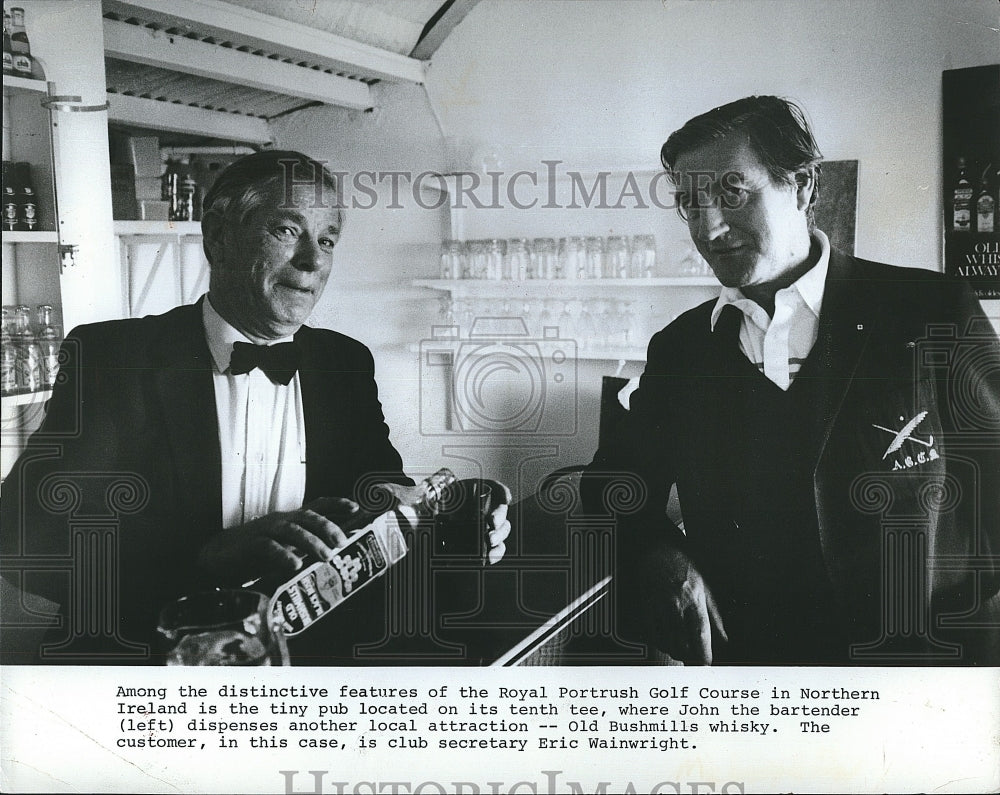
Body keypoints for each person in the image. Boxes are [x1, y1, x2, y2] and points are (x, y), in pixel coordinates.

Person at [0, 150, 510, 665]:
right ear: (217, 236)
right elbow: (26, 536)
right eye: (288, 231)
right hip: (140, 668)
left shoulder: (344, 362)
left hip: (302, 670)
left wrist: (435, 519)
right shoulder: (114, 358)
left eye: (327, 240)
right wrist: (206, 554)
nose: (312, 261)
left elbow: (372, 487)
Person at [584, 96, 1000, 665]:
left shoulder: (932, 312)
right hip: (757, 687)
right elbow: (611, 490)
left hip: (924, 676)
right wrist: (662, 555)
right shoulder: (680, 350)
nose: (708, 225)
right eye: (690, 201)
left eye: (733, 190)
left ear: (804, 187)